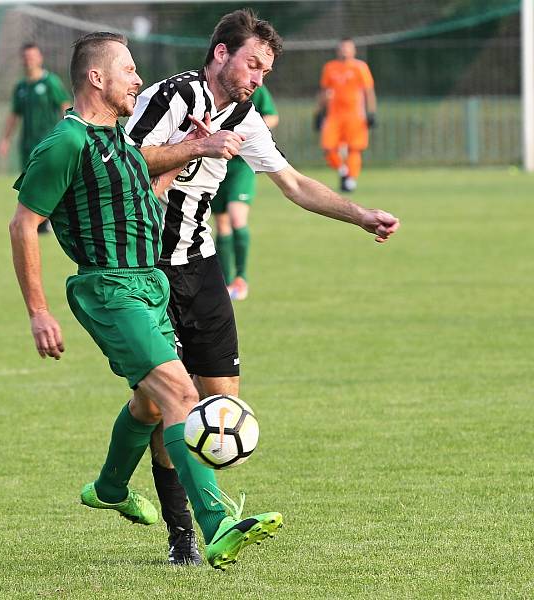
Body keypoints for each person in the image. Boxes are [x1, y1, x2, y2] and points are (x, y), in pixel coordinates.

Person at [125, 9, 399, 565]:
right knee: (165, 406)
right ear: (221, 53)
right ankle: (185, 537)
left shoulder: (245, 116)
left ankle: (138, 492)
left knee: (221, 403)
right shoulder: (170, 98)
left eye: (265, 71)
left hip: (200, 269)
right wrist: (194, 148)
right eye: (252, 63)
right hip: (146, 269)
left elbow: (295, 184)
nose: (257, 78)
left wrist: (361, 214)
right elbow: (125, 163)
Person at [8, 31, 283, 572]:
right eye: (129, 70)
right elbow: (23, 224)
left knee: (150, 404)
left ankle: (110, 487)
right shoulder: (67, 143)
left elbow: (150, 192)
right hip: (109, 290)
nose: (139, 80)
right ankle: (216, 522)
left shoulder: (119, 143)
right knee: (183, 394)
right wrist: (38, 312)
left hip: (150, 286)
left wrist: (192, 153)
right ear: (97, 78)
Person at [211, 85, 279, 300]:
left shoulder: (250, 86)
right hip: (215, 163)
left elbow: (272, 116)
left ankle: (241, 278)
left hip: (241, 165)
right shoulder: (209, 88)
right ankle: (226, 281)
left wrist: (246, 132)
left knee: (236, 218)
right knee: (221, 224)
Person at [0, 43, 71, 233]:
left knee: (49, 181)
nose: (29, 60)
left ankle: (49, 220)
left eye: (32, 56)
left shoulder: (50, 82)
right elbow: (14, 115)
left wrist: (70, 131)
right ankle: (34, 221)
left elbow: (64, 105)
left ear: (39, 58)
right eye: (26, 57)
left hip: (48, 142)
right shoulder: (21, 87)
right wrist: (5, 139)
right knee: (29, 183)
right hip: (27, 144)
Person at [315, 38, 377, 193]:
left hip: (355, 115)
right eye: (342, 48)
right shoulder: (330, 67)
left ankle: (350, 180)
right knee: (328, 147)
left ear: (353, 50)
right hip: (334, 115)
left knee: (354, 149)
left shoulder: (360, 67)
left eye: (348, 48)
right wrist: (318, 113)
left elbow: (368, 91)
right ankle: (343, 170)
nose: (344, 51)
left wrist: (371, 112)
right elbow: (323, 92)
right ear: (338, 50)